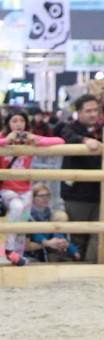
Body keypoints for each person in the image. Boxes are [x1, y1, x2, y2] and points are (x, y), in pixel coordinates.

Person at [0, 109, 63, 263]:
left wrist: (36, 139)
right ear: (8, 123)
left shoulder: (29, 138)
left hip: (25, 189)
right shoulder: (2, 136)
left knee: (22, 223)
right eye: (14, 121)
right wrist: (5, 141)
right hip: (7, 188)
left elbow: (60, 141)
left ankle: (18, 255)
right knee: (16, 208)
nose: (18, 124)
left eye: (21, 121)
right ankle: (9, 250)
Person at [58, 94, 103, 263]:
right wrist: (85, 140)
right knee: (78, 236)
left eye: (95, 110)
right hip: (76, 194)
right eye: (88, 111)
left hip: (100, 193)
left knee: (98, 236)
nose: (93, 114)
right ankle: (78, 269)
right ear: (79, 112)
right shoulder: (70, 128)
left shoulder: (101, 129)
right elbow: (66, 136)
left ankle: (91, 268)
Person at [24, 183, 80, 262]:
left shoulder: (51, 215)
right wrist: (48, 243)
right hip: (31, 255)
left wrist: (71, 249)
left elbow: (62, 238)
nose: (45, 198)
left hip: (49, 252)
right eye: (41, 196)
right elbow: (27, 244)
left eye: (47, 195)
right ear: (33, 198)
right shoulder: (28, 216)